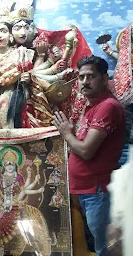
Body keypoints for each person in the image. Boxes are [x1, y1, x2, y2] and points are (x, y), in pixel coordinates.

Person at [52, 55, 126, 256]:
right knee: (97, 244)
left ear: (104, 79)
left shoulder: (107, 107)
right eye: (81, 77)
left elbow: (85, 150)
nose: (85, 82)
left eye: (90, 76)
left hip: (97, 191)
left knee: (106, 247)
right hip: (87, 191)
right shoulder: (92, 105)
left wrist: (66, 133)